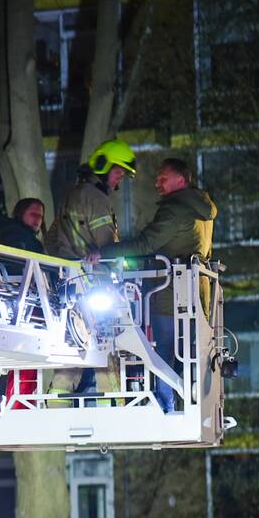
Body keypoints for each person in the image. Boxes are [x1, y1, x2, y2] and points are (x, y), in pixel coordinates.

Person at [93, 158, 216, 413]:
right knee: (192, 353)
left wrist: (103, 252)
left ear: (180, 180)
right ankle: (191, 405)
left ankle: (165, 408)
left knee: (163, 355)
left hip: (170, 295)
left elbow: (145, 244)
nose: (157, 183)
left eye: (163, 178)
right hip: (198, 294)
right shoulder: (202, 209)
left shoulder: (175, 209)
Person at [46, 139, 136, 402]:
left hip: (66, 282)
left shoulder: (71, 194)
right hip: (93, 283)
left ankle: (57, 404)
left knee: (72, 346)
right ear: (102, 166)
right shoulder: (96, 198)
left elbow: (52, 239)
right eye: (118, 172)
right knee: (104, 345)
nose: (119, 179)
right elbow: (108, 245)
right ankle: (116, 405)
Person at [0, 198, 45, 410]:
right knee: (27, 357)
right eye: (33, 214)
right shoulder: (19, 239)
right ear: (20, 214)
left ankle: (9, 404)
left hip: (12, 310)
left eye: (40, 216)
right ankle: (19, 407)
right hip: (18, 311)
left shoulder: (7, 234)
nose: (38, 220)